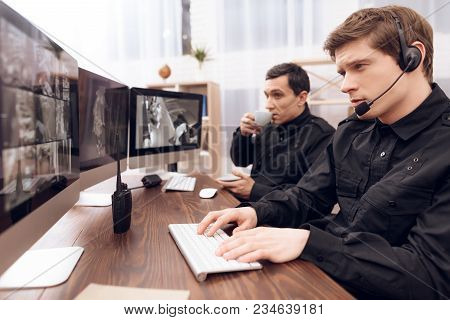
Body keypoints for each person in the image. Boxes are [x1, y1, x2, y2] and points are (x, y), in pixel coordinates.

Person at [198, 5, 450, 299]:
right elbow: (307, 195)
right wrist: (256, 212)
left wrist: (310, 243)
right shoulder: (351, 131)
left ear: (412, 58)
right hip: (321, 274)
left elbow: (431, 276)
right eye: (342, 72)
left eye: (359, 66)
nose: (345, 85)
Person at [221, 63, 335, 201]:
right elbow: (241, 161)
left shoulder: (323, 136)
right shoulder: (268, 126)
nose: (268, 105)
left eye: (277, 95)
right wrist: (243, 135)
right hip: (252, 206)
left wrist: (254, 190)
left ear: (301, 98)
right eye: (267, 96)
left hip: (284, 218)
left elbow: (311, 199)